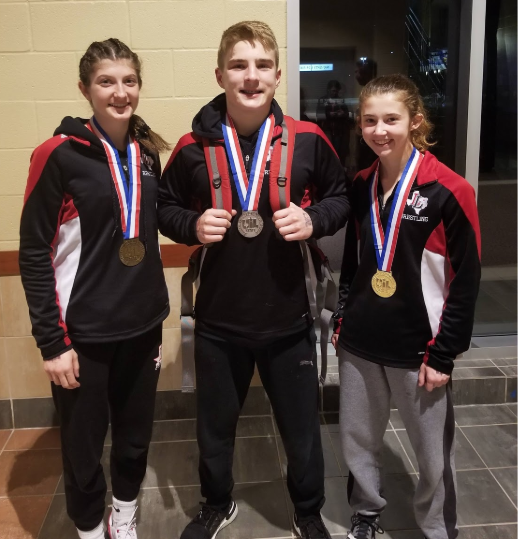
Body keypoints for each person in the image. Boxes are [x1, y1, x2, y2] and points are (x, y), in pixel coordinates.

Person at [158, 20, 349, 539]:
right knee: (214, 430)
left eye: (262, 65)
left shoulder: (308, 139)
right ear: (220, 74)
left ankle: (307, 511)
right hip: (219, 319)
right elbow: (165, 208)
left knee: (302, 431)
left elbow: (340, 198)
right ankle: (217, 504)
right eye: (239, 65)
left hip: (290, 316)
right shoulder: (192, 145)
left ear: (278, 74)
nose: (251, 76)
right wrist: (191, 226)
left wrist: (314, 221)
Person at [19, 38, 171, 539]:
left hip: (143, 323)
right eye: (107, 81)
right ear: (85, 89)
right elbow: (34, 252)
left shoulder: (146, 152)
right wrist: (52, 341)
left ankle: (121, 515)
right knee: (83, 444)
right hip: (82, 333)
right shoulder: (57, 155)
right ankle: (88, 527)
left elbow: (156, 222)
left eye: (129, 81)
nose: (120, 92)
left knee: (134, 436)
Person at [331, 74, 481, 539]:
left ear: (414, 121)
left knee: (433, 454)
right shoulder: (360, 184)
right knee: (358, 442)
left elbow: (466, 280)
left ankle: (436, 528)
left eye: (391, 119)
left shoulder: (449, 190)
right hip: (359, 344)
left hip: (420, 351)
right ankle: (366, 514)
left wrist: (444, 353)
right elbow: (355, 260)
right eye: (370, 120)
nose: (380, 130)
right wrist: (341, 315)